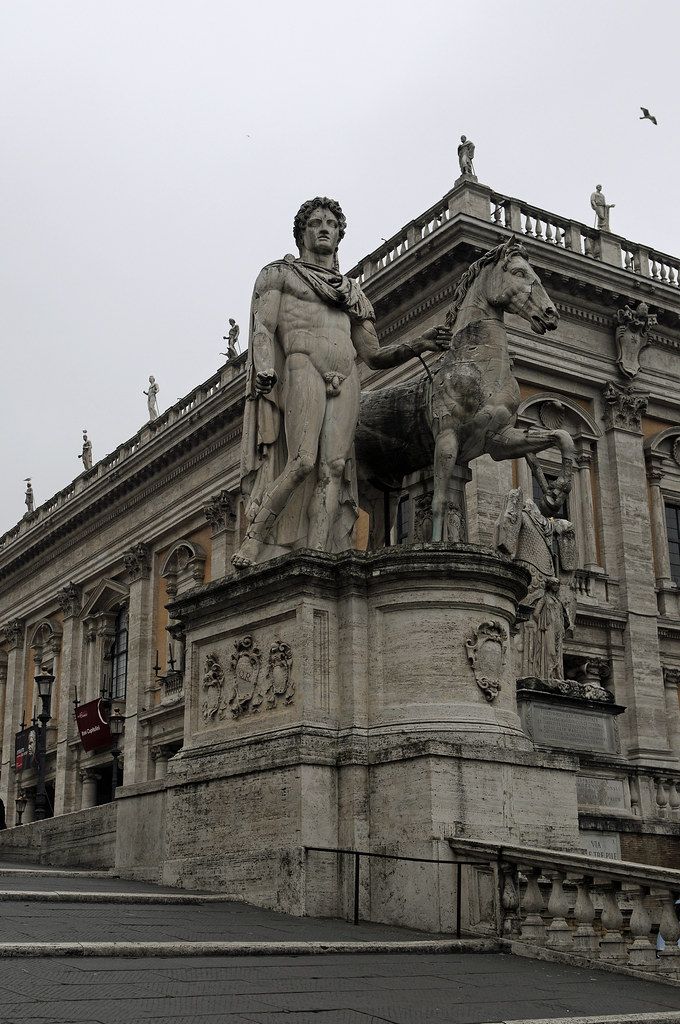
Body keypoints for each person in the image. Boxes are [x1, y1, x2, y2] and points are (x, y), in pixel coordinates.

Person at [233, 196, 451, 569]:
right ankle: (255, 540)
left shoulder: (352, 293)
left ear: (339, 236)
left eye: (331, 225)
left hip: (346, 376)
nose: (324, 228)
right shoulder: (279, 276)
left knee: (332, 468)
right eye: (316, 222)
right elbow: (263, 330)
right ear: (302, 231)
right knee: (302, 460)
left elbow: (373, 354)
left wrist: (420, 343)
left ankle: (317, 557)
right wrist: (266, 368)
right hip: (303, 365)